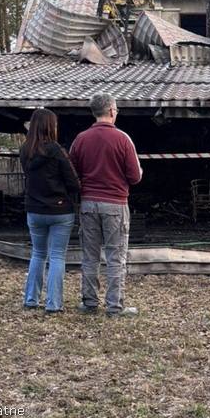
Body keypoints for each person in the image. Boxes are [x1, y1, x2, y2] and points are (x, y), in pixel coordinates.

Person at [69, 93, 143, 317]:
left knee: (90, 256)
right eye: (117, 110)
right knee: (115, 257)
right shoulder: (123, 139)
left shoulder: (80, 139)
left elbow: (73, 173)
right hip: (115, 205)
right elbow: (134, 176)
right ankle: (114, 306)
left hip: (89, 204)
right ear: (111, 111)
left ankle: (89, 302)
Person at [19, 108, 81, 313]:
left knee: (37, 254)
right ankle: (54, 303)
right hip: (60, 211)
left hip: (34, 210)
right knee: (56, 256)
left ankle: (31, 299)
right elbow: (73, 182)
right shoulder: (57, 151)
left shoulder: (24, 150)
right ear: (50, 126)